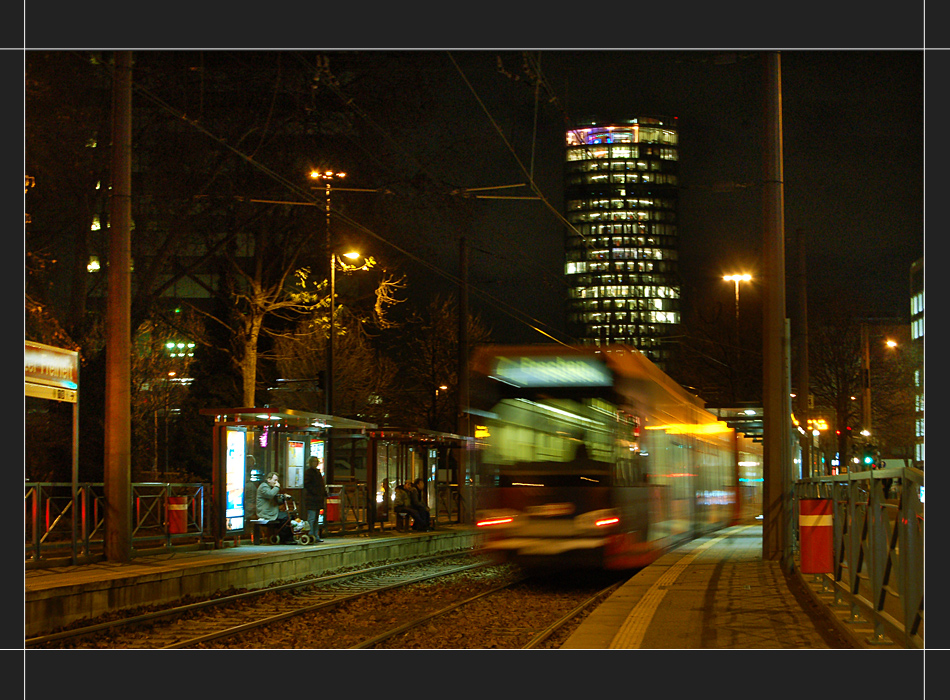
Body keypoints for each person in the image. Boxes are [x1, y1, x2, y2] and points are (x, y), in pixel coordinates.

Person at [256, 472, 295, 544]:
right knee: (286, 517)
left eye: (277, 481)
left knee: (290, 515)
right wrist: (277, 487)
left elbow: (276, 500)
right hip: (266, 513)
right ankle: (285, 538)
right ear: (269, 479)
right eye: (275, 480)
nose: (276, 482)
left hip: (272, 511)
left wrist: (283, 497)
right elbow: (270, 495)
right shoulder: (263, 487)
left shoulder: (271, 488)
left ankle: (287, 537)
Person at [304, 456, 327, 543]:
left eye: (316, 462)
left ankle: (315, 535)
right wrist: (316, 492)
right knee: (312, 518)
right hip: (312, 498)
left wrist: (323, 492)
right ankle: (311, 534)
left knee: (316, 518)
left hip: (316, 498)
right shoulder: (309, 473)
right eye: (314, 462)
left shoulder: (317, 472)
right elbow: (307, 484)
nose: (316, 463)